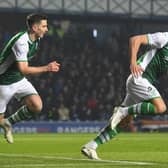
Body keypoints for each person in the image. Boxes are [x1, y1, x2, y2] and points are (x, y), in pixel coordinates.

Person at [81, 32, 168, 160]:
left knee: (125, 122)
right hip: (140, 78)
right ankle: (123, 111)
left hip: (141, 82)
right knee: (160, 108)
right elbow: (135, 39)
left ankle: (91, 146)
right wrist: (133, 62)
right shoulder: (165, 38)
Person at [0, 13, 60, 143]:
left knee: (36, 105)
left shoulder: (36, 39)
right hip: (3, 82)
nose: (47, 29)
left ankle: (8, 123)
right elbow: (24, 69)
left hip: (18, 79)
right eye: (44, 26)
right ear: (34, 28)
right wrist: (47, 68)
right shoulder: (21, 42)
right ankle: (3, 123)